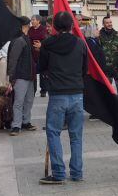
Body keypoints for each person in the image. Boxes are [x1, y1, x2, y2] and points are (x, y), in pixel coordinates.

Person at [38, 11, 88, 184]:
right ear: (71, 26)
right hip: (76, 94)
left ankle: (58, 173)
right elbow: (84, 68)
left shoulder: (47, 44)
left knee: (53, 133)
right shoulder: (80, 44)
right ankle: (77, 172)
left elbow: (41, 67)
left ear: (55, 27)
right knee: (76, 135)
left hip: (58, 94)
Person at [7, 16, 37, 136]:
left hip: (30, 75)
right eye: (29, 24)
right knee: (19, 102)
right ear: (24, 26)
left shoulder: (26, 38)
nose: (30, 26)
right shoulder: (19, 40)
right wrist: (11, 77)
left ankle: (26, 121)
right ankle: (16, 125)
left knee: (29, 100)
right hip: (20, 76)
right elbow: (13, 60)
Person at [99, 16, 118, 101]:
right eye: (107, 23)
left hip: (117, 66)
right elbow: (94, 49)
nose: (109, 24)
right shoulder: (99, 35)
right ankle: (107, 105)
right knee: (106, 87)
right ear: (103, 24)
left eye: (110, 22)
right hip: (105, 67)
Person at [28, 15, 47, 96]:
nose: (32, 21)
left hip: (41, 53)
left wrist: (41, 45)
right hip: (32, 53)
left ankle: (43, 90)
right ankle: (33, 89)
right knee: (33, 72)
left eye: (33, 20)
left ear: (38, 21)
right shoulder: (30, 29)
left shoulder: (43, 29)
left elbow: (46, 39)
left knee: (42, 72)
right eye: (31, 20)